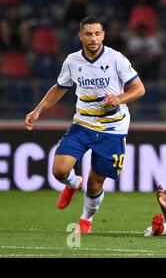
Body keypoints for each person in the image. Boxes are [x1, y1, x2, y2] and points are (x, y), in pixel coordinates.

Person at [24, 16, 145, 233]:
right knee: (59, 170)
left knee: (96, 183)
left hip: (112, 128)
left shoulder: (116, 58)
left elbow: (139, 89)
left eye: (97, 34)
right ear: (80, 36)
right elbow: (60, 87)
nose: (93, 38)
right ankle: (72, 183)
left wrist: (119, 99)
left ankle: (86, 219)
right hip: (83, 123)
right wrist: (38, 110)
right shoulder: (72, 61)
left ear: (103, 35)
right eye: (88, 34)